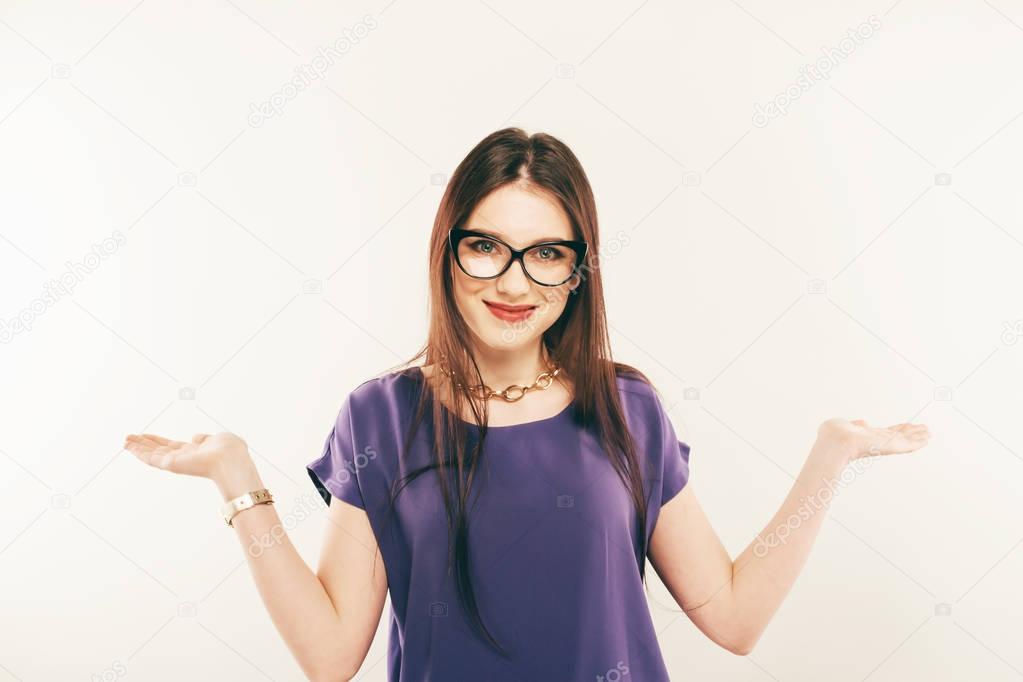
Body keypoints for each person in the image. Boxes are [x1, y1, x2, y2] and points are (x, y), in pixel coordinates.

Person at [123, 128, 931, 681]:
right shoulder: (379, 418)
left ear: (579, 270)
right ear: (446, 252)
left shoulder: (626, 410)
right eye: (486, 247)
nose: (514, 282)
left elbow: (731, 617)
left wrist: (831, 455)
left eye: (548, 253)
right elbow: (332, 655)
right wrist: (235, 476)